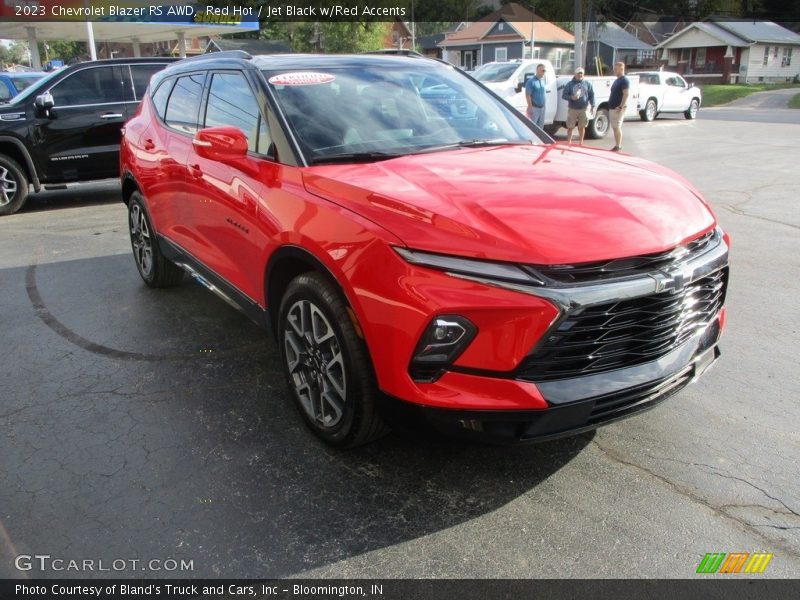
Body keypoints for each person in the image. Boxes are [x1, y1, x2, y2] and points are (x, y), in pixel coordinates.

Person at [562, 67, 595, 146]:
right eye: (578, 73)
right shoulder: (570, 84)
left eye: (581, 73)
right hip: (573, 108)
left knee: (582, 126)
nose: (580, 75)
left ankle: (581, 142)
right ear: (575, 74)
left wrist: (593, 105)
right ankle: (569, 141)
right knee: (570, 126)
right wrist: (571, 97)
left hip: (584, 108)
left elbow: (592, 95)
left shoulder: (587, 84)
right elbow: (564, 95)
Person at [609, 61, 630, 152]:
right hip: (613, 107)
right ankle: (617, 145)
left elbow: (626, 94)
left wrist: (621, 106)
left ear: (621, 69)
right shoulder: (617, 80)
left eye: (616, 69)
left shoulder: (624, 80)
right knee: (614, 126)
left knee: (617, 126)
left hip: (618, 108)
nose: (614, 70)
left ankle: (618, 146)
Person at [525, 64, 547, 128]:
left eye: (544, 71)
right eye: (542, 70)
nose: (544, 72)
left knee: (540, 129)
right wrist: (530, 107)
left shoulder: (543, 81)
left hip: (542, 109)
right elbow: (527, 95)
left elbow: (543, 94)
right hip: (534, 108)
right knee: (532, 128)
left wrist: (544, 107)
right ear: (537, 70)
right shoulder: (531, 81)